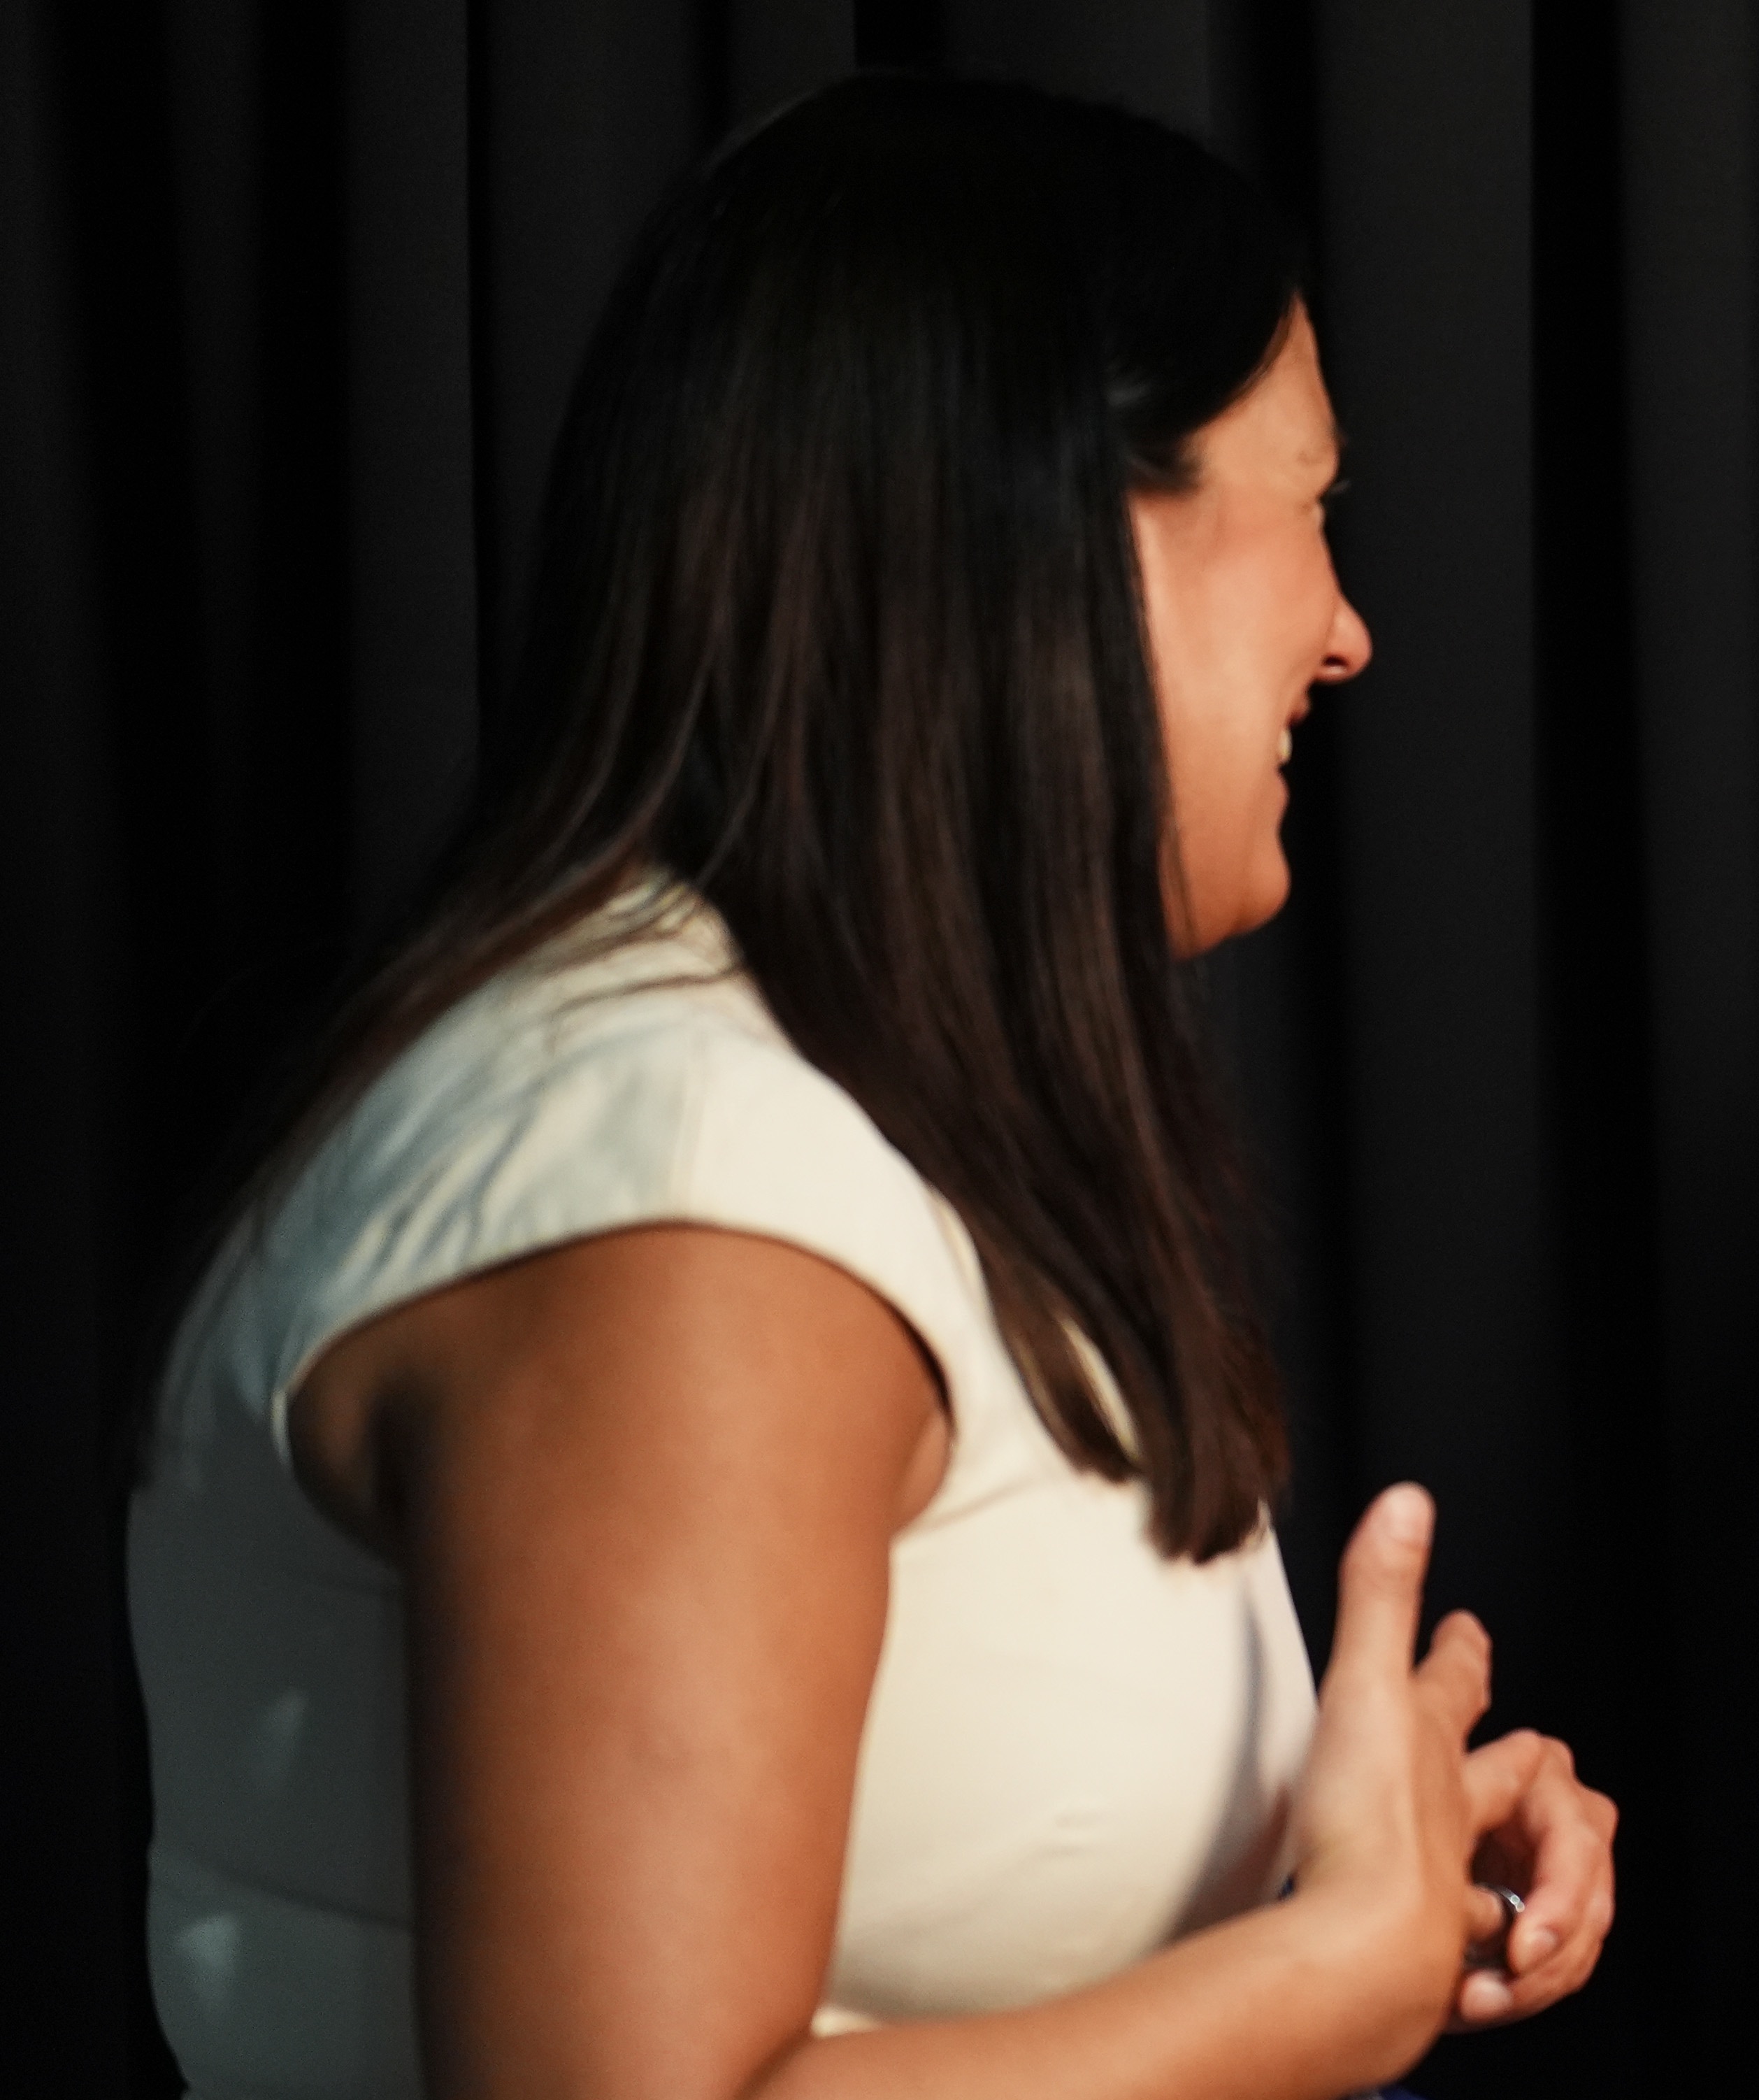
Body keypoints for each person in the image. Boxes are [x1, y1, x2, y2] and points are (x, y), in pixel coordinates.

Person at [128, 77, 1612, 2100]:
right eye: (1311, 506)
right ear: (1069, 541)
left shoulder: (827, 1101)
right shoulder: (677, 1190)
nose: (1347, 634)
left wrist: (1354, 1881)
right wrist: (1318, 1980)